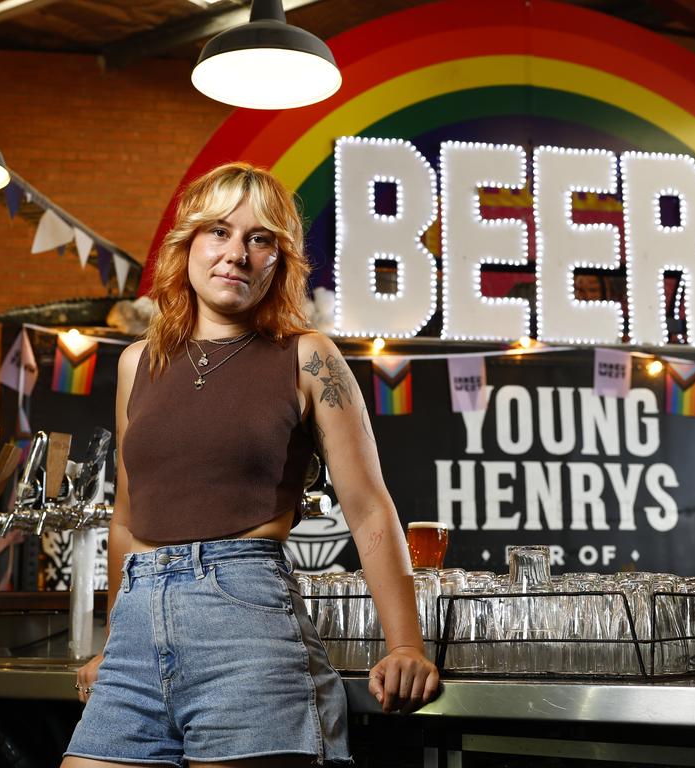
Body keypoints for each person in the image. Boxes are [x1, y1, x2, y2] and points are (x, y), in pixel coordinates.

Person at [63, 162, 439, 768]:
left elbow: (368, 504)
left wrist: (405, 644)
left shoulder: (307, 357)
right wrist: (116, 643)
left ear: (279, 260)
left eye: (258, 238)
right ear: (186, 245)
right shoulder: (137, 363)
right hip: (136, 636)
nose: (235, 252)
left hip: (248, 630)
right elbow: (128, 523)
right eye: (218, 231)